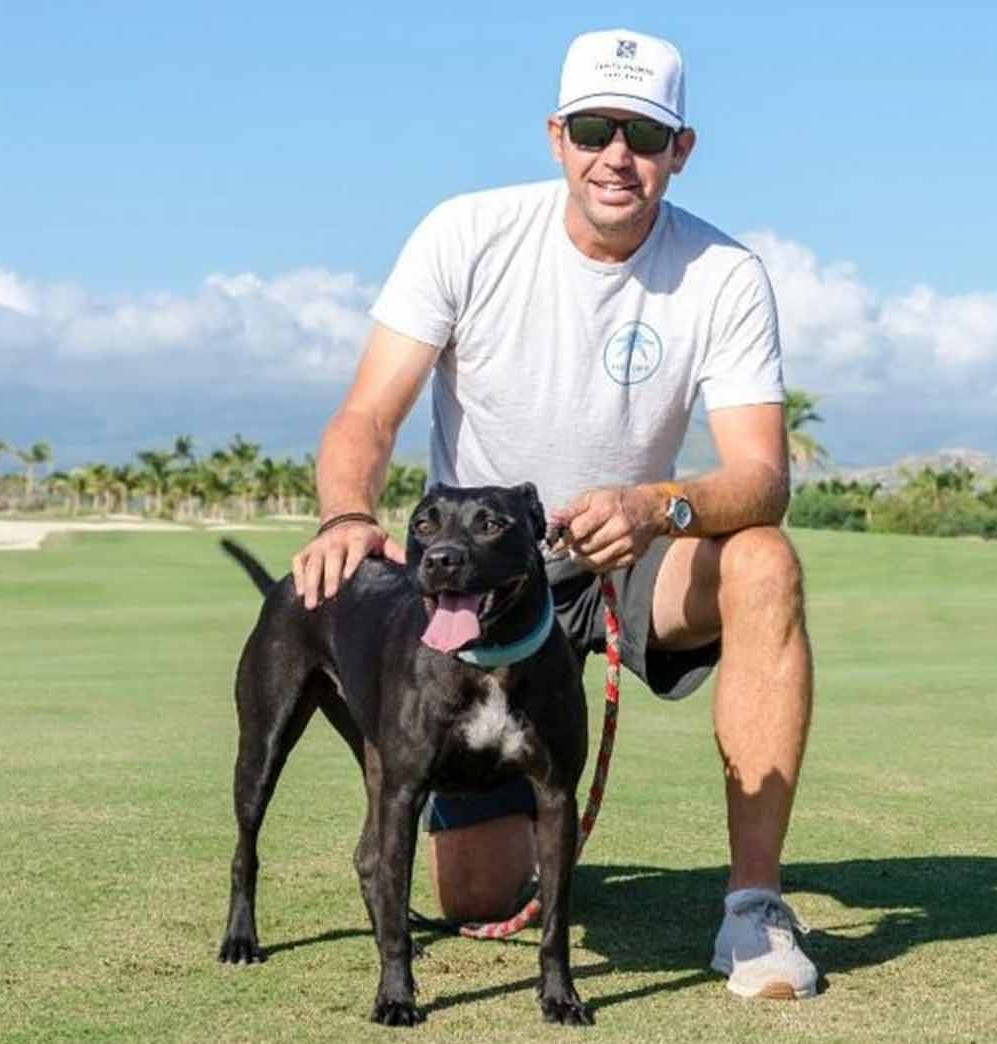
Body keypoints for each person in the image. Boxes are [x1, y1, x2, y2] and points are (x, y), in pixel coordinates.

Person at [289, 28, 818, 1000]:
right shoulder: (464, 232)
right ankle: (513, 822)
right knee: (475, 898)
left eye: (645, 135)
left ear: (680, 150)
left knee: (764, 561)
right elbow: (366, 413)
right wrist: (344, 516)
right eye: (593, 128)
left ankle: (751, 910)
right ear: (555, 136)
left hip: (624, 573)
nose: (617, 154)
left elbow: (761, 477)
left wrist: (661, 503)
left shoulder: (725, 272)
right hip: (482, 597)